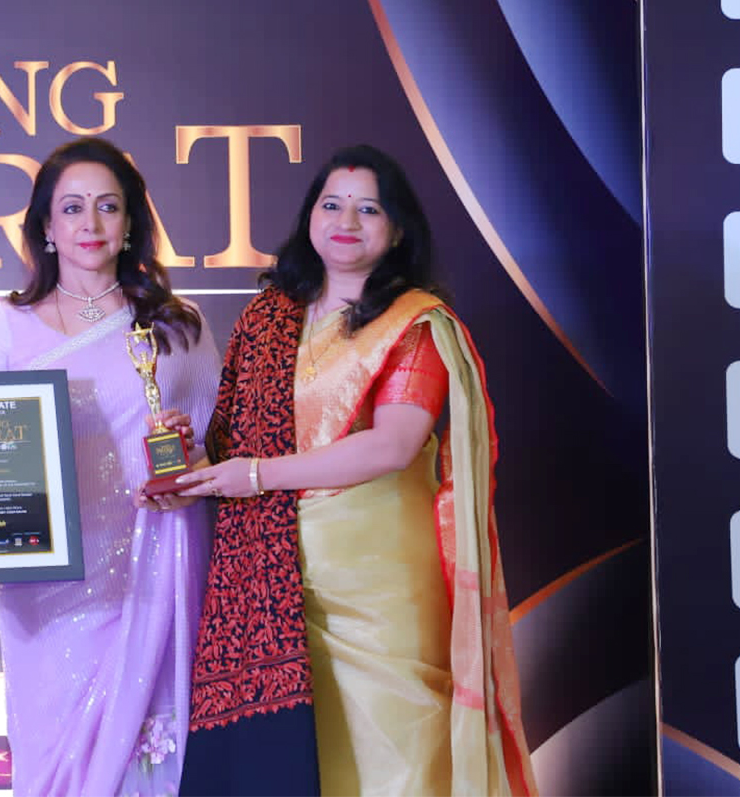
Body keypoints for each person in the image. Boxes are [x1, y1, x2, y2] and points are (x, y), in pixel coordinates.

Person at [173, 145, 536, 796]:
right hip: (269, 583)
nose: (346, 221)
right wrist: (184, 466)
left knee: (391, 755)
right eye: (332, 204)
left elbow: (393, 445)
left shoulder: (413, 324)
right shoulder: (267, 317)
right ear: (310, 217)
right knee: (291, 764)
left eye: (369, 209)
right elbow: (232, 446)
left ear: (396, 230)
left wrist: (254, 476)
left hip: (378, 588)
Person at [0, 137, 220, 796]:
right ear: (46, 228)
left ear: (131, 221)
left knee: (151, 760)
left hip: (155, 566)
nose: (91, 223)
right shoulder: (5, 326)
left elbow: (216, 454)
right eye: (72, 208)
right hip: (50, 587)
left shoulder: (179, 327)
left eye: (108, 206)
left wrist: (191, 465)